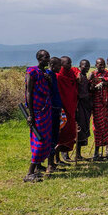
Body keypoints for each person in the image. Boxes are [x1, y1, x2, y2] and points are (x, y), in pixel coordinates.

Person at [24, 49, 52, 182]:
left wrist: (49, 80)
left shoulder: (45, 73)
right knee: (39, 140)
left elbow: (50, 90)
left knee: (46, 138)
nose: (48, 60)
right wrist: (30, 114)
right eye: (46, 57)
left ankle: (37, 168)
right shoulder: (32, 72)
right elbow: (28, 92)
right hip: (36, 111)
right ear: (39, 59)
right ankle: (29, 173)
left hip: (46, 109)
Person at [89, 58, 108, 160]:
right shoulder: (92, 74)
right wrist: (94, 85)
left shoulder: (107, 74)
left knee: (106, 126)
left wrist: (102, 81)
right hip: (97, 105)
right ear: (96, 65)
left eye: (103, 64)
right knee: (98, 127)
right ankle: (96, 153)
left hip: (106, 104)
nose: (102, 66)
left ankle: (105, 150)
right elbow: (90, 87)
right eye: (99, 64)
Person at [56, 56, 78, 162]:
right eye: (67, 63)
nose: (70, 65)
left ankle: (66, 154)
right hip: (62, 109)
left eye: (70, 63)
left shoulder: (72, 75)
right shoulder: (58, 76)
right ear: (61, 64)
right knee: (60, 134)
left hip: (72, 108)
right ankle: (57, 158)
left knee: (70, 133)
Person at [46, 56, 64, 173]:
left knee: (55, 137)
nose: (60, 68)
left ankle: (51, 163)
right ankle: (50, 165)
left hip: (56, 108)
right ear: (52, 66)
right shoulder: (48, 75)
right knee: (51, 138)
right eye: (59, 65)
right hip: (51, 109)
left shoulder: (52, 75)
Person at [74, 59, 92, 161]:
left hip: (85, 106)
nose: (86, 68)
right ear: (80, 66)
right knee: (78, 130)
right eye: (84, 66)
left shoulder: (85, 77)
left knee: (83, 130)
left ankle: (79, 154)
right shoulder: (78, 76)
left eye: (88, 66)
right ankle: (66, 154)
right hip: (79, 105)